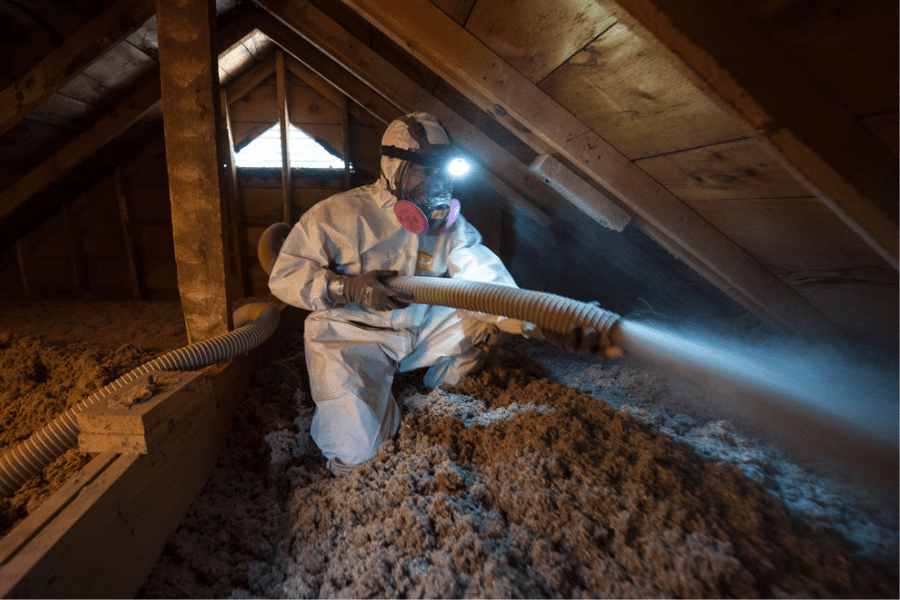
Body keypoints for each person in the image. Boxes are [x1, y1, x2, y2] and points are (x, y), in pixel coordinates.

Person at [268, 112, 613, 475]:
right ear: (394, 167)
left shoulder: (448, 224)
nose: (438, 185)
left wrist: (537, 321)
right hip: (351, 336)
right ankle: (357, 415)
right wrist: (346, 287)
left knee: (478, 318)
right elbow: (285, 275)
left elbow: (485, 281)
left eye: (445, 174)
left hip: (416, 331)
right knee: (358, 453)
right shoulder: (338, 215)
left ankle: (440, 394)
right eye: (427, 172)